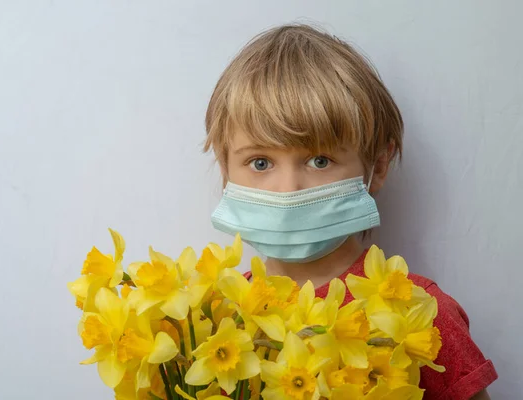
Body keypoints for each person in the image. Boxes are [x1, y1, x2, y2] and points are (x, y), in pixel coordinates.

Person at [205, 24, 497, 399]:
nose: (288, 190)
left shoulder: (421, 315)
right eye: (260, 163)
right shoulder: (213, 318)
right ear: (225, 167)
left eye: (320, 160)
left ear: (377, 167)